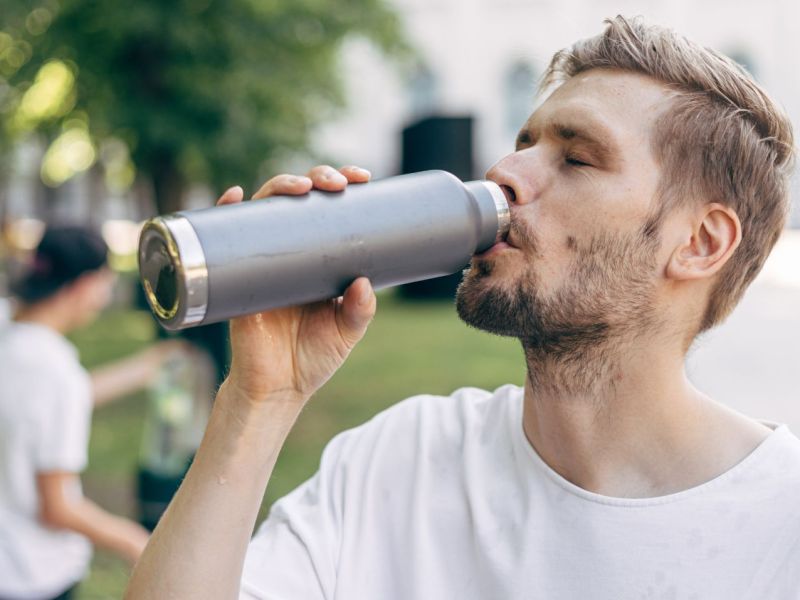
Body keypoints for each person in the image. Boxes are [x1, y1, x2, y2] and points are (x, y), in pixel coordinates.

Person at [126, 16, 800, 599]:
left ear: (699, 243)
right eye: (527, 141)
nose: (506, 170)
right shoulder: (398, 460)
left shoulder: (780, 523)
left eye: (578, 159)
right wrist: (259, 400)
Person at [0, 225, 183, 600]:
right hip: (35, 575)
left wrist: (142, 368)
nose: (103, 297)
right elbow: (57, 507)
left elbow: (45, 401)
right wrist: (135, 541)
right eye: (104, 283)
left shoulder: (10, 330)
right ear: (84, 284)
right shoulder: (55, 372)